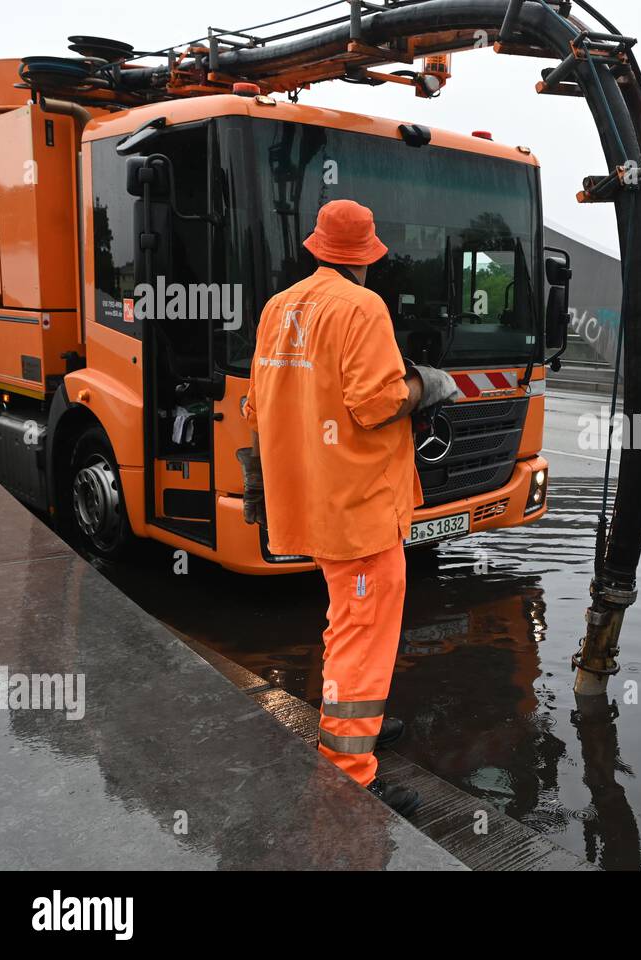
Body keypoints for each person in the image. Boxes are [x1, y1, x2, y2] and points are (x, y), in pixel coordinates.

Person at [237, 199, 460, 818]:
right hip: (358, 508)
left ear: (317, 248)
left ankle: (355, 721)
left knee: (345, 618)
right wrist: (427, 384)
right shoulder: (363, 307)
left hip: (311, 501)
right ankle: (348, 771)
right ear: (368, 256)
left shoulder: (279, 308)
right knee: (363, 630)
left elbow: (258, 409)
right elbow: (373, 402)